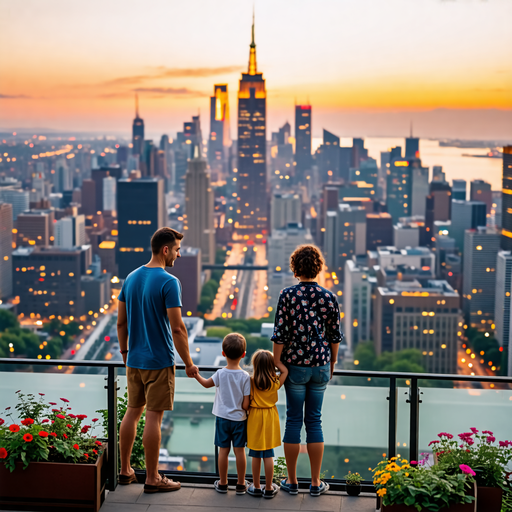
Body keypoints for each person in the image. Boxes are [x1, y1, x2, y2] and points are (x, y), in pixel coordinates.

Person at [117, 227, 199, 493]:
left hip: (134, 360)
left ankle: (125, 470)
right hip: (159, 361)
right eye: (176, 249)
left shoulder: (130, 278)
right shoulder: (168, 282)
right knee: (153, 417)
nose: (178, 255)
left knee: (132, 412)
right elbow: (178, 328)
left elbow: (121, 322)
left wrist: (125, 353)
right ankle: (152, 478)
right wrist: (188, 362)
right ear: (165, 249)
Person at [272, 245, 343, 497]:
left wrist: (278, 363)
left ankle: (291, 481)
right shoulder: (329, 297)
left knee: (293, 420)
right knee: (314, 420)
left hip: (295, 367)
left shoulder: (287, 295)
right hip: (321, 366)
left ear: (295, 268)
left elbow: (279, 334)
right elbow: (335, 335)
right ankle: (315, 483)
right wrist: (332, 361)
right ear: (318, 267)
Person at [194, 333, 251, 494]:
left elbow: (206, 384)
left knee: (223, 451)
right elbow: (246, 404)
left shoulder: (220, 373)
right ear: (243, 354)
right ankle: (240, 484)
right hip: (239, 419)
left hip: (222, 419)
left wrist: (195, 374)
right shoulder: (245, 377)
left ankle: (223, 483)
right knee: (239, 451)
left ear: (223, 353)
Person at [247, 350, 288, 499]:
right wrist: (277, 363)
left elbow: (246, 401)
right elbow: (285, 371)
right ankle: (269, 488)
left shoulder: (251, 381)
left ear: (255, 365)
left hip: (255, 417)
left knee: (256, 454)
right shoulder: (275, 381)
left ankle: (256, 487)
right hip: (270, 416)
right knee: (268, 454)